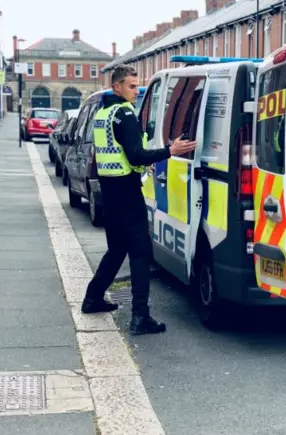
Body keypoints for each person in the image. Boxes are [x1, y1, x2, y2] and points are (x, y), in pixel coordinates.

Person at [81, 65, 194, 335]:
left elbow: (119, 156)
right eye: (132, 86)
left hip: (109, 191)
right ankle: (140, 317)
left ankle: (93, 298)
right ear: (116, 86)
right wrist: (170, 150)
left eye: (138, 85)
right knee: (141, 254)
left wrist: (144, 164)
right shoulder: (124, 113)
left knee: (117, 249)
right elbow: (135, 155)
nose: (137, 90)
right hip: (127, 193)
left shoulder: (103, 114)